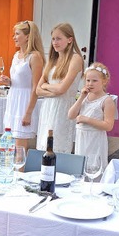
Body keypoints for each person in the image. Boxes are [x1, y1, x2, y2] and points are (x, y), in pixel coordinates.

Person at [35, 22, 83, 153]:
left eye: (59, 38)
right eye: (53, 39)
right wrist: (51, 90)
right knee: (44, 145)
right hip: (48, 107)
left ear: (69, 39)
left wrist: (46, 86)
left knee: (58, 145)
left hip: (63, 108)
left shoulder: (75, 58)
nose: (55, 42)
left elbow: (63, 89)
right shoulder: (52, 60)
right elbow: (38, 90)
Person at [0, 20, 45, 151]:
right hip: (13, 98)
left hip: (24, 101)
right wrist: (9, 81)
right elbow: (19, 80)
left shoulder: (35, 57)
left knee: (20, 145)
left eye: (17, 34)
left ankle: (20, 170)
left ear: (27, 37)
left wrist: (28, 113)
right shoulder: (16, 55)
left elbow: (36, 86)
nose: (14, 37)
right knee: (10, 141)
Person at [68, 62, 116, 172]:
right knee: (80, 167)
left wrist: (86, 119)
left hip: (95, 139)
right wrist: (81, 98)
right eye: (88, 80)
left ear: (104, 81)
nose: (90, 83)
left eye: (95, 81)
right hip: (81, 138)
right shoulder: (84, 97)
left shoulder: (107, 100)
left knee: (93, 167)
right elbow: (71, 115)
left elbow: (108, 126)